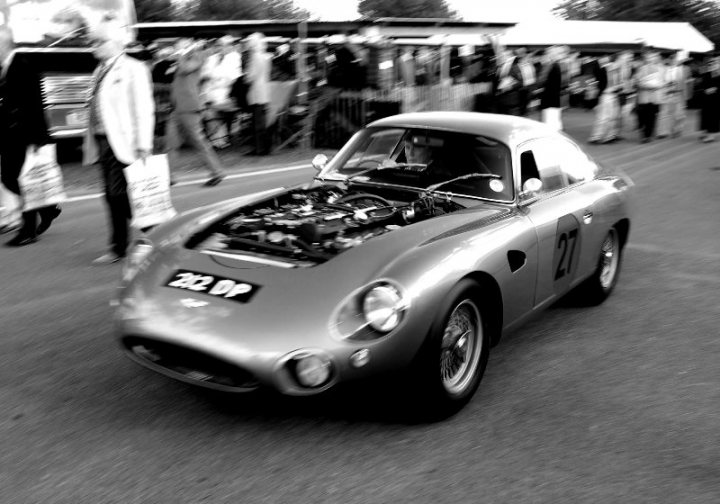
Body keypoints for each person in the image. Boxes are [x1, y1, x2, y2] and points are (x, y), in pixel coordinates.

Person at [83, 19, 155, 264]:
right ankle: (123, 245)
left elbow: (144, 108)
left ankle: (153, 232)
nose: (93, 47)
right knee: (113, 194)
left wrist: (144, 143)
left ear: (115, 43)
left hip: (126, 141)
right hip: (103, 140)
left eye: (98, 42)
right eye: (92, 41)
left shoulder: (133, 68)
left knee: (117, 194)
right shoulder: (99, 71)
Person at [0, 27, 61, 246]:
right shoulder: (6, 66)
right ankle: (46, 209)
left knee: (18, 179)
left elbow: (35, 105)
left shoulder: (23, 66)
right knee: (10, 178)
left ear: (4, 44)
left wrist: (37, 140)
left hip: (24, 135)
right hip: (10, 135)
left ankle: (29, 231)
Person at [165, 39, 226, 186]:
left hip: (190, 107)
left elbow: (186, 69)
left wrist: (181, 54)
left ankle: (217, 172)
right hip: (177, 108)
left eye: (178, 46)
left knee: (199, 143)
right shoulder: (183, 59)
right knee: (171, 144)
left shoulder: (197, 56)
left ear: (186, 46)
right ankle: (168, 176)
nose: (176, 49)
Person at [245, 32, 272, 156]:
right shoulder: (265, 56)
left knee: (257, 123)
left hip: (256, 91)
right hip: (264, 90)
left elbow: (251, 76)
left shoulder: (255, 56)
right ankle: (265, 148)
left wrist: (246, 76)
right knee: (262, 122)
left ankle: (259, 149)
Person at [635, 49, 665, 143]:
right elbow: (637, 81)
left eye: (652, 56)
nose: (650, 58)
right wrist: (643, 85)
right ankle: (643, 132)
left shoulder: (661, 68)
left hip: (656, 96)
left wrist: (658, 85)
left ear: (656, 57)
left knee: (652, 116)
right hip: (644, 96)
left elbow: (664, 81)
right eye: (648, 57)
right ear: (645, 58)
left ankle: (647, 135)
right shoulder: (641, 68)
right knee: (642, 116)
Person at [656, 51, 688, 139]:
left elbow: (684, 84)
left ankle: (677, 129)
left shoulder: (682, 69)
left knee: (679, 114)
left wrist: (685, 96)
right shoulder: (663, 69)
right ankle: (662, 132)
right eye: (674, 60)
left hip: (678, 93)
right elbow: (660, 81)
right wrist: (666, 85)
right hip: (666, 93)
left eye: (677, 60)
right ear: (670, 60)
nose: (675, 61)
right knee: (664, 113)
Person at [539, 46, 564, 131]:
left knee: (549, 121)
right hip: (553, 97)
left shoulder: (550, 65)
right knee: (554, 120)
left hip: (549, 97)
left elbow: (542, 80)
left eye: (548, 53)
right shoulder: (557, 65)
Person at [698, 54, 720, 143]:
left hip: (716, 99)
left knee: (713, 116)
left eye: (716, 62)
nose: (714, 64)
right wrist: (705, 90)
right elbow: (701, 85)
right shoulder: (707, 74)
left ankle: (711, 135)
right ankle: (706, 132)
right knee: (705, 116)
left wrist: (715, 89)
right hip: (706, 99)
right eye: (712, 62)